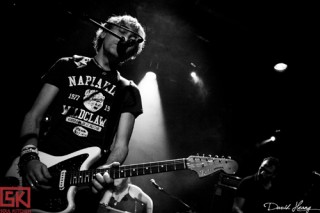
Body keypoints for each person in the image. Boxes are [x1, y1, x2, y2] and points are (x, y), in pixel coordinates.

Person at [16, 14, 146, 213]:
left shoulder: (129, 90)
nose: (125, 40)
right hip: (35, 166)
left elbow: (120, 145)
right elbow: (33, 115)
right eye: (121, 33)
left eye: (132, 40)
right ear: (103, 33)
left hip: (81, 183)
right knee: (9, 209)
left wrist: (107, 169)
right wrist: (29, 157)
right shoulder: (67, 65)